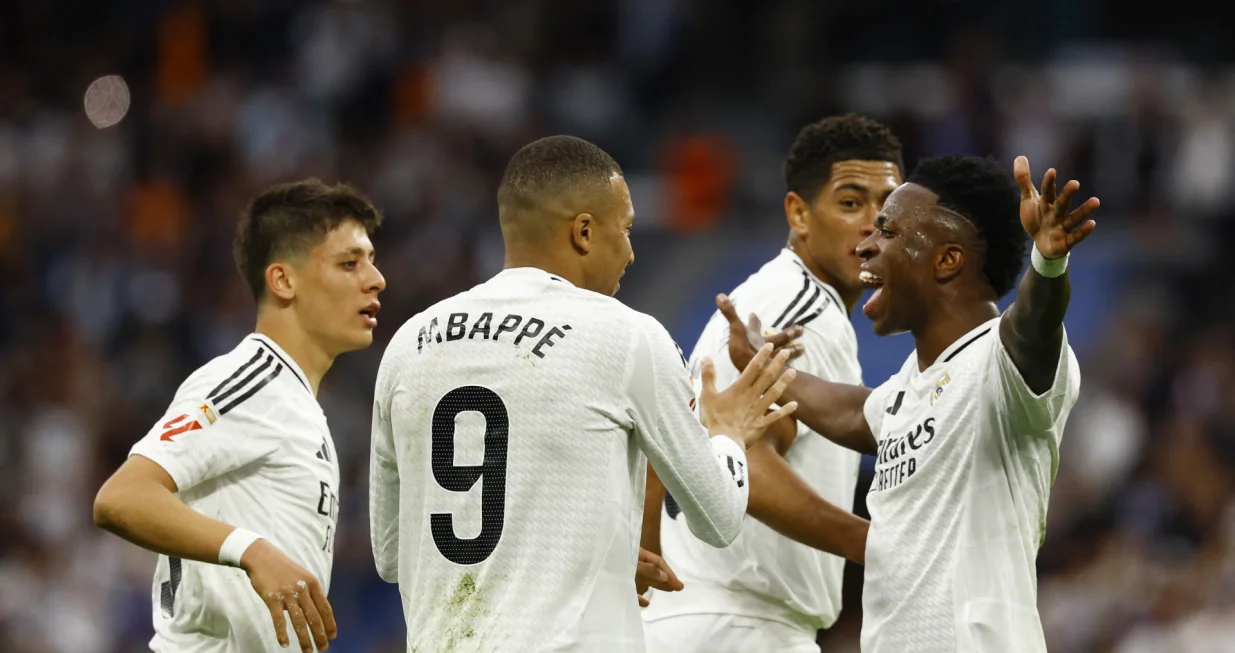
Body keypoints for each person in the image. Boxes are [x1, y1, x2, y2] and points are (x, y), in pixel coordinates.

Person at [368, 135, 798, 653]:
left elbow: (393, 553)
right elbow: (719, 518)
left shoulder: (410, 341)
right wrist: (727, 433)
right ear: (585, 232)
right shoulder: (624, 336)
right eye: (628, 229)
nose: (634, 251)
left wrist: (589, 554)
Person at [718, 154, 1095, 652]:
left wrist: (1047, 265)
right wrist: (761, 360)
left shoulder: (1000, 365)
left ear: (947, 260)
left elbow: (1033, 329)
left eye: (888, 232)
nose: (866, 245)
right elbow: (852, 411)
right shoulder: (906, 390)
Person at [641, 114, 903, 653]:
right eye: (851, 203)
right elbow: (741, 465)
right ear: (798, 213)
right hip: (739, 623)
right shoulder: (802, 313)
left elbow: (666, 458)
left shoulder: (771, 297)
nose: (874, 223)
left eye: (890, 205)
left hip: (698, 617)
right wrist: (878, 544)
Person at [93, 179, 388, 653]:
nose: (376, 279)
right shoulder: (251, 380)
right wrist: (250, 551)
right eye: (349, 263)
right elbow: (122, 497)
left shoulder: (297, 405)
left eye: (371, 260)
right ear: (283, 280)